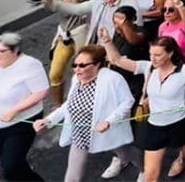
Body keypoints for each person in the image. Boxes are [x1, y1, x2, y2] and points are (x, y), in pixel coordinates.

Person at [101, 33, 185, 182]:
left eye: (157, 55)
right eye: (151, 54)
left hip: (180, 123)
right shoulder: (148, 68)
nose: (152, 58)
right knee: (150, 176)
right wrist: (107, 42)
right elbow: (117, 60)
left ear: (170, 53)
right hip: (156, 126)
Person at [34, 45, 142, 182]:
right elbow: (69, 105)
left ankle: (144, 169)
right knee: (72, 176)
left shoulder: (113, 79)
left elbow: (127, 101)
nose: (77, 69)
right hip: (80, 133)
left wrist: (109, 121)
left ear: (97, 65)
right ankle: (124, 161)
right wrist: (49, 120)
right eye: (75, 65)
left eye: (82, 65)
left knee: (126, 150)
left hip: (106, 131)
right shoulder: (76, 79)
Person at [18, 0, 88, 106]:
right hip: (64, 37)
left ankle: (83, 101)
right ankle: (59, 106)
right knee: (55, 74)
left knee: (84, 71)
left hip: (82, 37)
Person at [0, 33, 49, 181]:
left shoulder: (29, 64)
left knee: (10, 169)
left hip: (22, 121)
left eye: (1, 52)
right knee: (15, 166)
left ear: (15, 51)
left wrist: (14, 110)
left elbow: (41, 91)